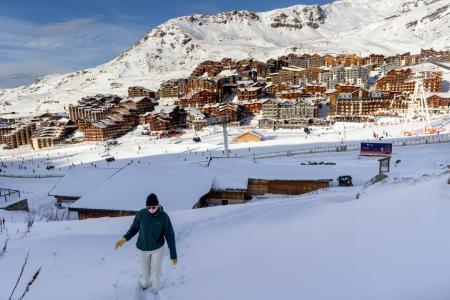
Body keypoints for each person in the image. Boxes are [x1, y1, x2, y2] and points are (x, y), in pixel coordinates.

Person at [115, 193, 177, 291]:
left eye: (154, 207)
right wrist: (124, 239)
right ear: (146, 206)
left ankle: (157, 287)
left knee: (156, 272)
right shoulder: (141, 214)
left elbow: (170, 235)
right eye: (149, 207)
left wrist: (173, 254)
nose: (151, 209)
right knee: (145, 274)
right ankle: (145, 284)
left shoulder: (164, 217)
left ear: (158, 205)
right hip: (142, 248)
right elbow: (134, 228)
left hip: (157, 248)